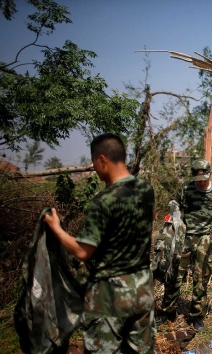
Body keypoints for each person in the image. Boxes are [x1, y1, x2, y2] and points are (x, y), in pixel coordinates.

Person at [43, 133, 156, 353]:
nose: (95, 168)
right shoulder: (146, 189)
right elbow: (149, 219)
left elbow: (82, 251)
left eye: (94, 162)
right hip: (142, 288)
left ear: (102, 159)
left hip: (110, 294)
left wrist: (56, 227)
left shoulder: (103, 201)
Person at [162, 159, 212, 331]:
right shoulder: (186, 188)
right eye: (198, 178)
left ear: (210, 174)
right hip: (184, 237)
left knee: (201, 279)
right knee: (174, 274)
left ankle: (197, 316)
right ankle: (168, 312)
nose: (201, 182)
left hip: (204, 239)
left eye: (204, 178)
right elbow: (176, 206)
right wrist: (173, 219)